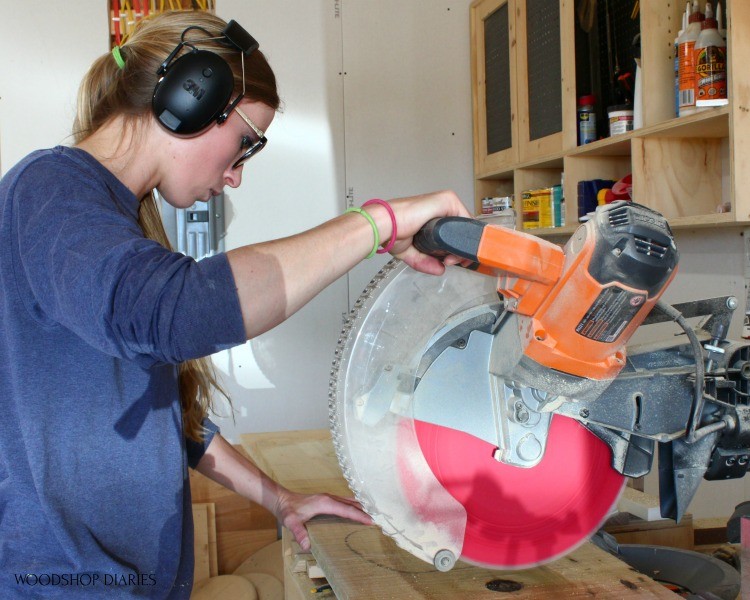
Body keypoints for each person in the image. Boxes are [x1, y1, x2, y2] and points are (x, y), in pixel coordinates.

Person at [0, 10, 471, 599]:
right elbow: (177, 312)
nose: (236, 177)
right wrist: (380, 222)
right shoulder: (49, 190)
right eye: (244, 144)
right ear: (189, 98)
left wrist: (280, 499)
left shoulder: (113, 224)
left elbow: (164, 417)